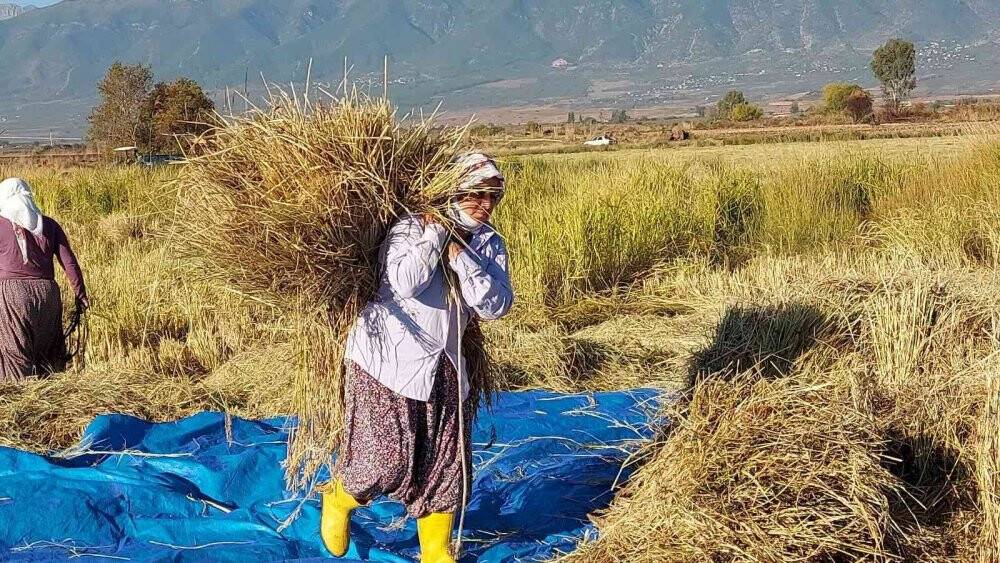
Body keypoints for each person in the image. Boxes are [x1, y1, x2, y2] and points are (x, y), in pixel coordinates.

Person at [320, 153, 514, 562]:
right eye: (476, 193)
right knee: (382, 463)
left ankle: (436, 551)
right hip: (388, 363)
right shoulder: (411, 226)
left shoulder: (489, 243)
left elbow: (495, 305)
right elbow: (404, 283)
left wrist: (462, 258)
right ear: (453, 191)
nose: (486, 204)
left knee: (446, 469)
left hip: (446, 367)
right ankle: (339, 497)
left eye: (494, 196)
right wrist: (438, 234)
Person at [0, 178, 88, 382]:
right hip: (48, 294)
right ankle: (51, 393)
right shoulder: (49, 225)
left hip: (13, 295)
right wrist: (80, 294)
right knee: (48, 351)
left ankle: (22, 396)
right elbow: (69, 262)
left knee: (15, 351)